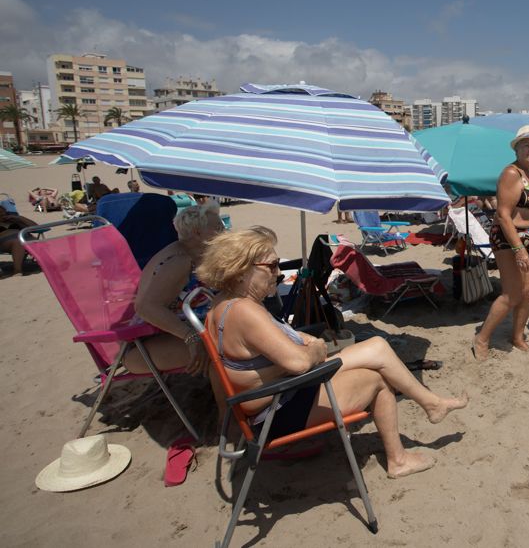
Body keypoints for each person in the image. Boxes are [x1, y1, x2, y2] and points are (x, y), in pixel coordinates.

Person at [197, 227, 467, 478]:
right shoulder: (246, 312)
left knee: (377, 348)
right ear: (242, 270)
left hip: (272, 398)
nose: (279, 273)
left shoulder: (223, 304)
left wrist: (299, 342)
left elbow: (259, 351)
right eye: (272, 266)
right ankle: (399, 459)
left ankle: (431, 404)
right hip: (279, 411)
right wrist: (313, 348)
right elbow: (300, 363)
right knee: (379, 379)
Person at [123, 202, 227, 375]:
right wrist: (191, 337)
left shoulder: (197, 255)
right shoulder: (179, 261)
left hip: (177, 335)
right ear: (197, 232)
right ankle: (233, 401)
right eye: (218, 227)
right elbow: (145, 307)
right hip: (146, 347)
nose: (224, 232)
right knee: (230, 348)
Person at [473, 125, 529, 360]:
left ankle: (517, 336)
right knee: (513, 294)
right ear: (516, 149)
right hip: (509, 237)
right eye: (526, 145)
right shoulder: (511, 174)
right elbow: (504, 214)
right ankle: (482, 338)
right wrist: (518, 249)